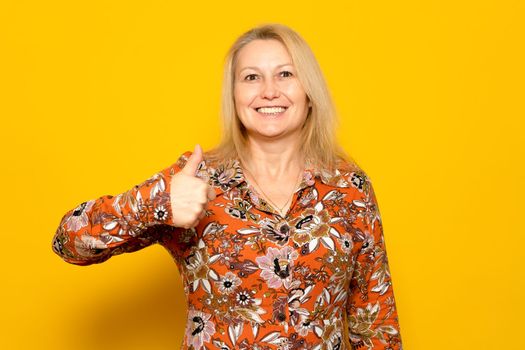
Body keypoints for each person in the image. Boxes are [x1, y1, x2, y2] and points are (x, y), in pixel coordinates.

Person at [52, 23, 403, 350]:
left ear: (309, 91)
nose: (269, 91)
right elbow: (68, 242)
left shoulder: (349, 187)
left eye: (285, 74)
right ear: (233, 96)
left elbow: (376, 323)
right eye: (251, 77)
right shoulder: (194, 179)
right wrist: (154, 202)